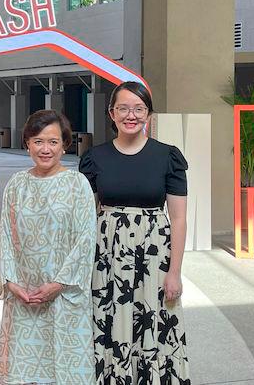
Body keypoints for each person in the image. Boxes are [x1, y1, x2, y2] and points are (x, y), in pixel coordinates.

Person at [79, 81, 190, 384]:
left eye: (139, 109)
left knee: (152, 323)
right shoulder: (94, 158)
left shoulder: (168, 156)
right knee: (110, 321)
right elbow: (86, 215)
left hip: (154, 259)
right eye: (124, 108)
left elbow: (178, 219)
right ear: (111, 113)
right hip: (108, 259)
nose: (131, 115)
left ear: (148, 115)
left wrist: (175, 272)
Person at [0, 110, 96, 384]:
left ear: (65, 145)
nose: (45, 149)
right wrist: (11, 282)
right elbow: (5, 235)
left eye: (53, 142)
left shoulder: (77, 184)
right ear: (27, 142)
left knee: (66, 372)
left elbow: (85, 240)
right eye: (38, 140)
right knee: (26, 372)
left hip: (65, 295)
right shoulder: (17, 184)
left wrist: (58, 284)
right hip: (25, 295)